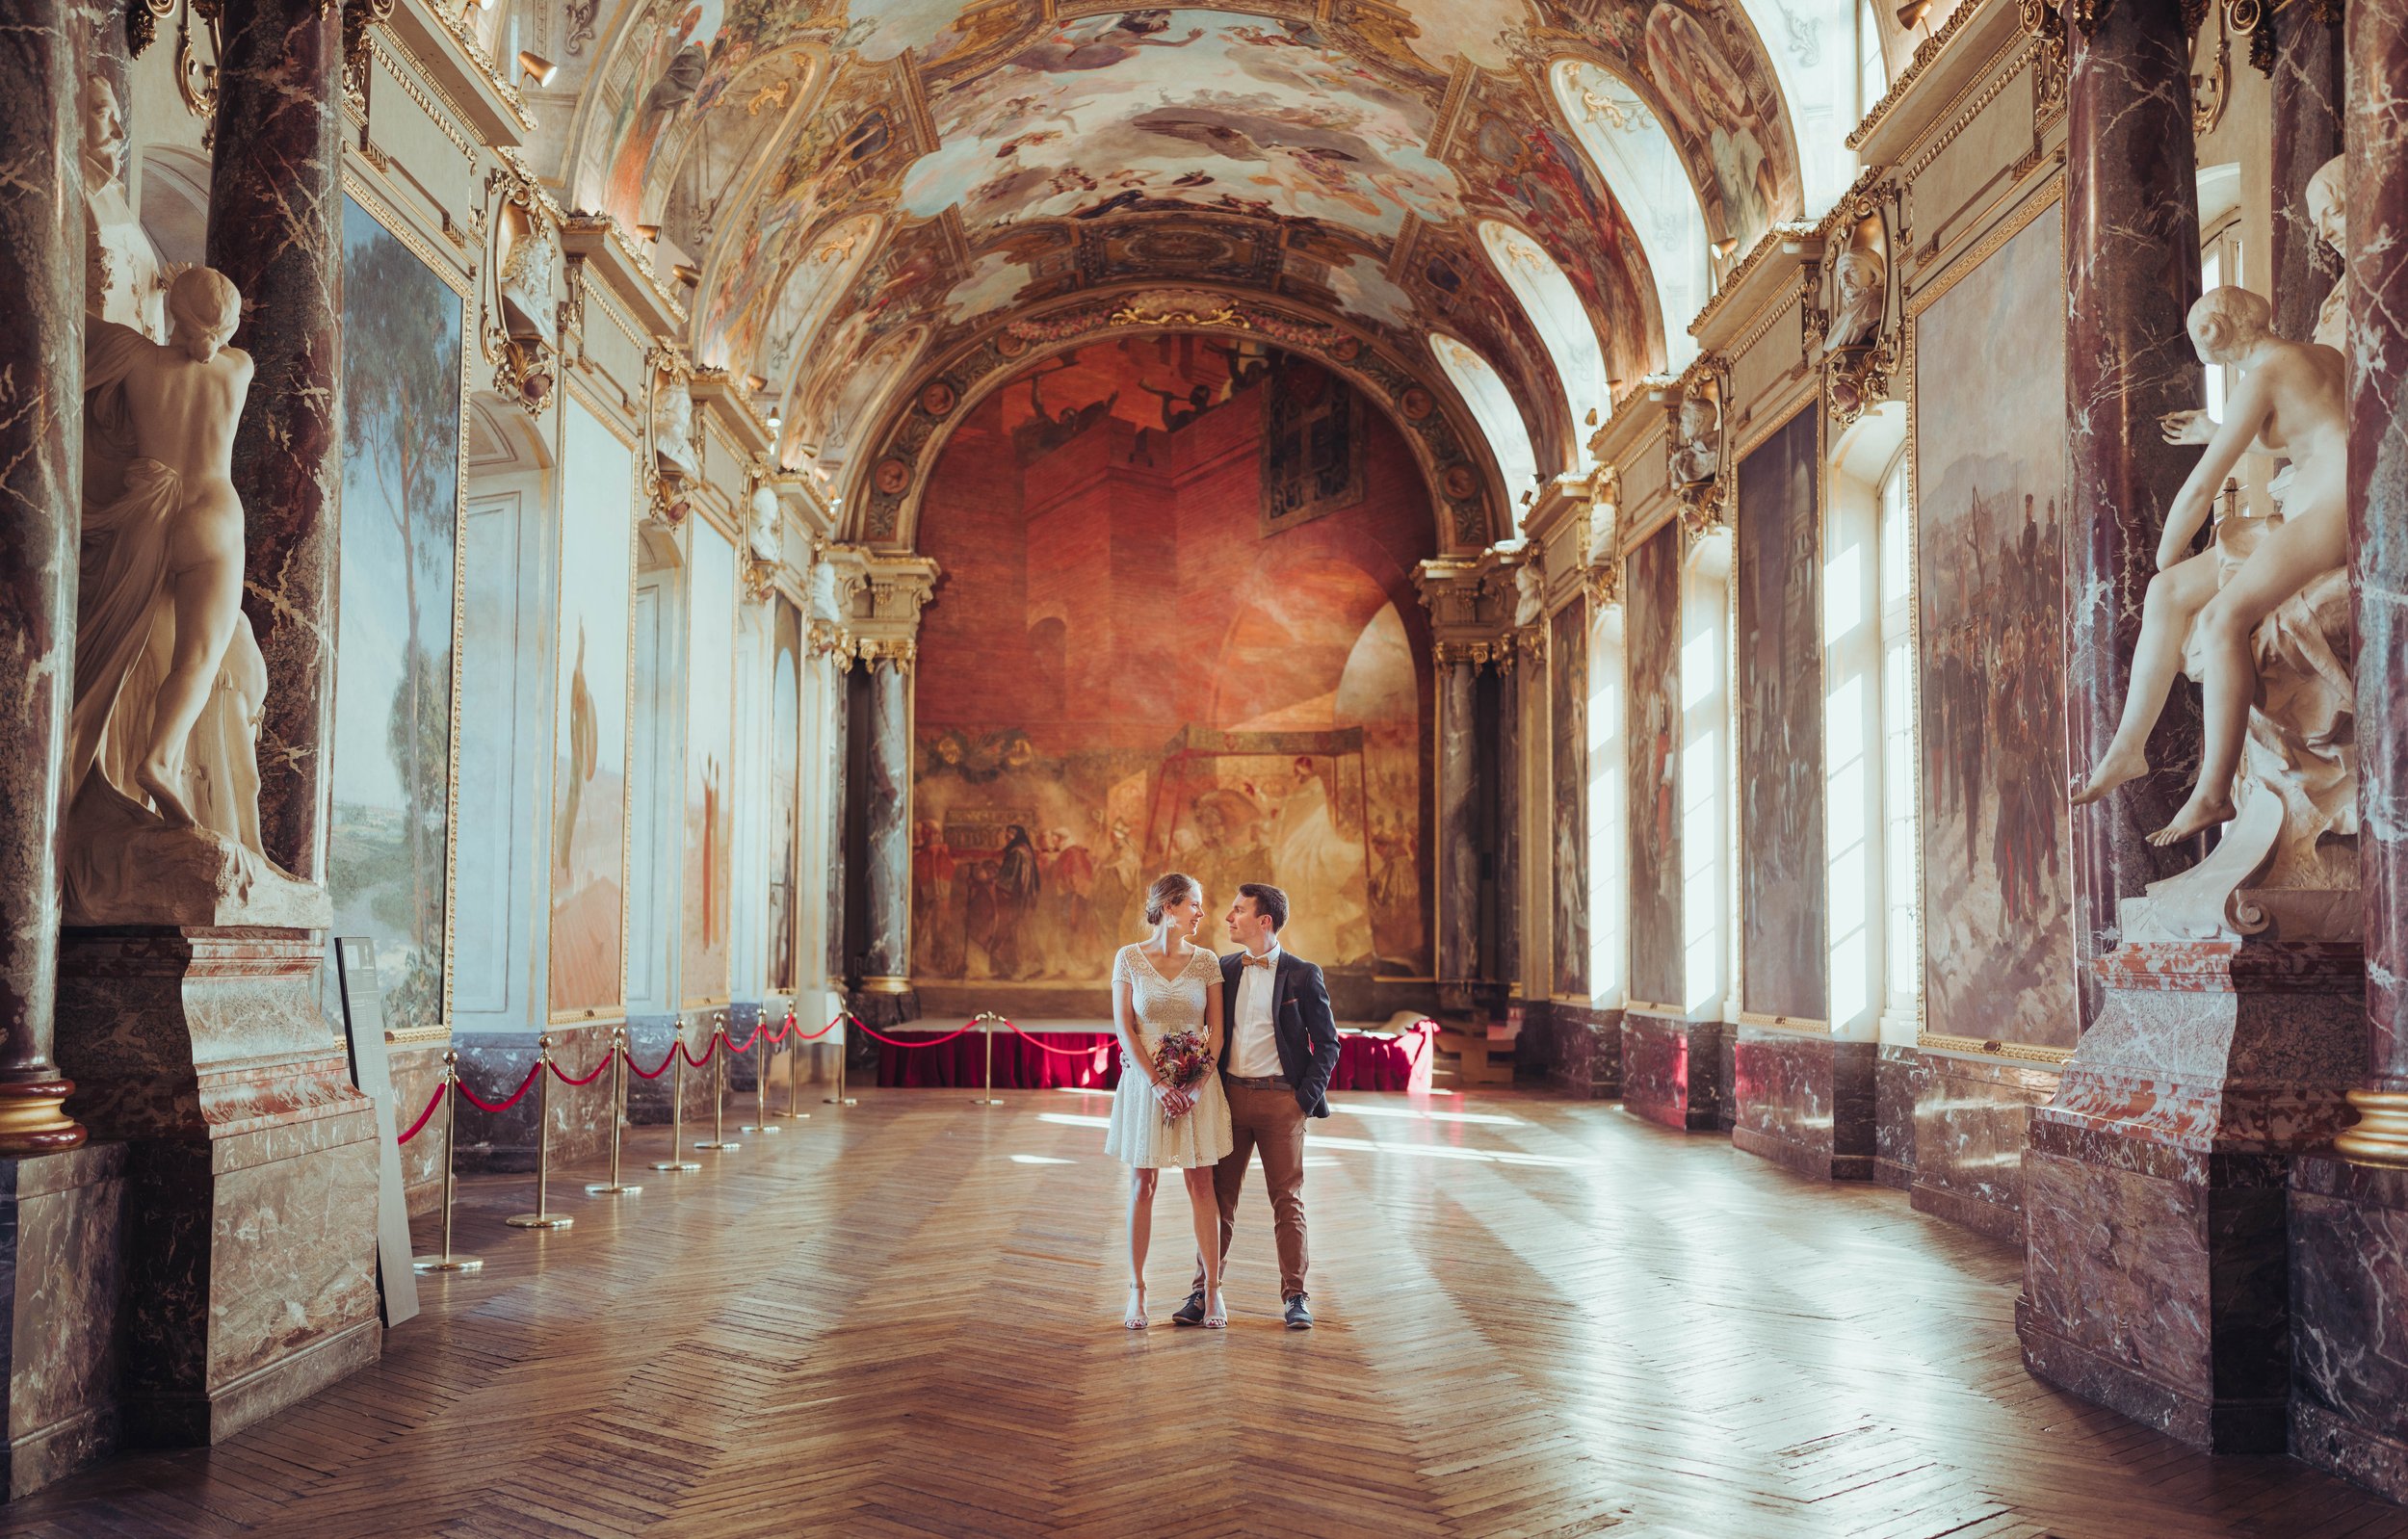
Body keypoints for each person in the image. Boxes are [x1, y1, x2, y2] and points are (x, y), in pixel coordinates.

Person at [2069, 285, 2347, 845]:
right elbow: (2310, 431)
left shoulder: (2262, 376)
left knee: (2223, 619)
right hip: (2319, 498)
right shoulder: (2319, 357)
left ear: (2214, 338)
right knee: (2166, 595)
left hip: (2334, 508)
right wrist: (2214, 430)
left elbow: (2200, 489)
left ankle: (2214, 791)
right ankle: (2127, 749)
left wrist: (2163, 554)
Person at [1171, 882, 1341, 1331]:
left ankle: (1296, 1297)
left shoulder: (1303, 974)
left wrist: (1302, 1100)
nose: (1227, 917)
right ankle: (1203, 1291)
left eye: (1238, 910)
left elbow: (1328, 1044)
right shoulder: (1223, 969)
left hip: (1282, 1101)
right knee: (1218, 1199)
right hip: (1228, 1100)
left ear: (1263, 921)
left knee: (1288, 1201)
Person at [1102, 873, 1235, 1330]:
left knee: (1202, 1186)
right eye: (1195, 904)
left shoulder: (1206, 962)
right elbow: (1125, 1028)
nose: (1202, 912)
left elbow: (1216, 1032)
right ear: (1170, 907)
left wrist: (1195, 1086)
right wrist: (1158, 1084)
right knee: (1144, 1186)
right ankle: (1136, 1292)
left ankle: (1213, 1291)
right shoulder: (1129, 959)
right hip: (1145, 1084)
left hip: (1199, 1086)